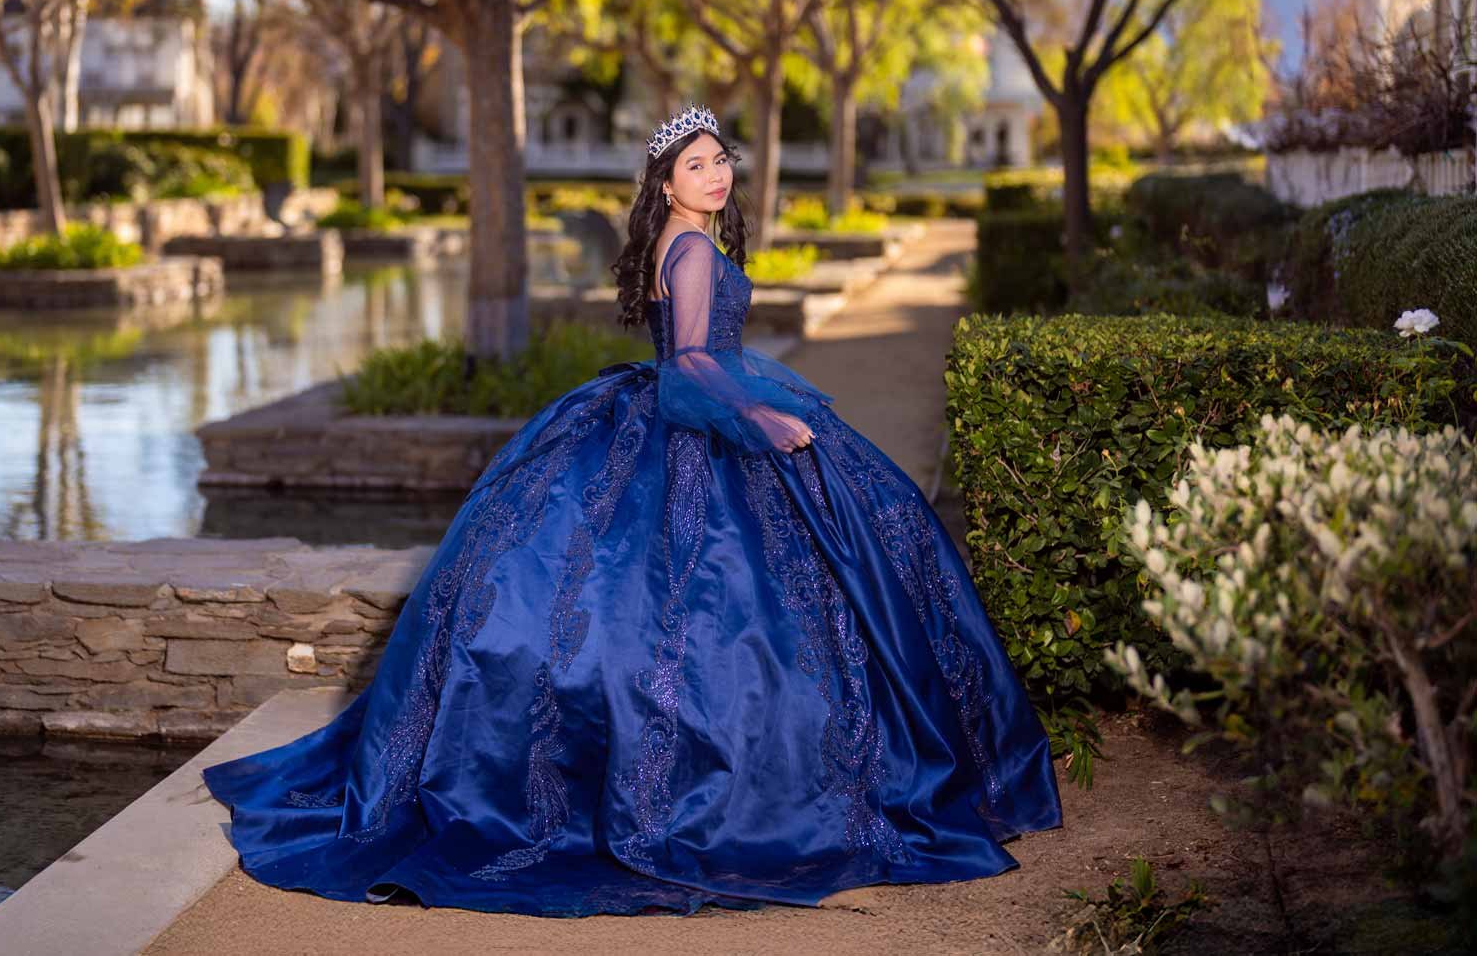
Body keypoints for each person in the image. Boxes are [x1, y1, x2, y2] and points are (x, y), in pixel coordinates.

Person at [202, 106, 1063, 917]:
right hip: (707, 410)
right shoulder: (688, 251)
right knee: (742, 609)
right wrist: (760, 416)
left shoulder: (682, 239)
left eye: (721, 158)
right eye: (696, 164)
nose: (716, 173)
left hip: (692, 402)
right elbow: (690, 365)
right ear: (665, 184)